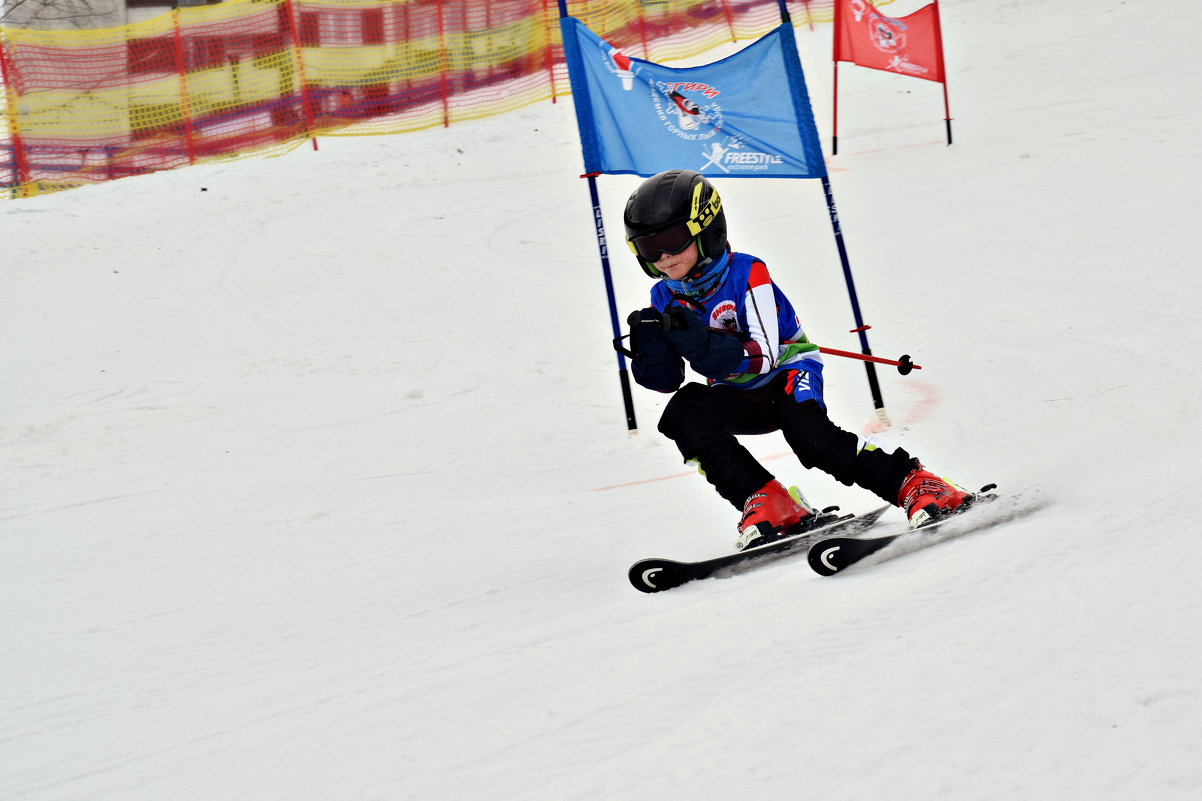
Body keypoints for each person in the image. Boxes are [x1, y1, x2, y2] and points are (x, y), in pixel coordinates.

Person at [620, 169, 971, 551]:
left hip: (787, 376)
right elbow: (667, 381)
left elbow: (766, 355)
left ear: (708, 230)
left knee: (812, 438)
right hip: (735, 394)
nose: (664, 257)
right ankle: (771, 501)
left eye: (672, 240)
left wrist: (703, 343)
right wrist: (652, 353)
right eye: (649, 248)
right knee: (683, 413)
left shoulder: (748, 273)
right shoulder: (663, 297)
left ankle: (915, 483)